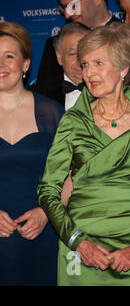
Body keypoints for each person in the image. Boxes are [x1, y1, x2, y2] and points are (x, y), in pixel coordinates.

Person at [38, 22, 130, 286]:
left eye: (98, 63)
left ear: (124, 68)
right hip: (82, 249)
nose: (89, 73)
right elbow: (48, 191)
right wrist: (77, 241)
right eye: (84, 64)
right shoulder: (73, 121)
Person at [0, 22, 64, 285]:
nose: (1, 65)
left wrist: (46, 213)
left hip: (41, 233)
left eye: (9, 56)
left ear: (26, 64)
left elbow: (73, 175)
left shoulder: (52, 112)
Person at [32, 0, 120, 104]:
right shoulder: (54, 45)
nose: (67, 14)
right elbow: (44, 100)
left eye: (73, 5)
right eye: (64, 7)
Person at [51, 22, 90, 110]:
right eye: (72, 54)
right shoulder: (44, 97)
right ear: (59, 57)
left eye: (85, 52)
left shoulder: (109, 94)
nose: (80, 61)